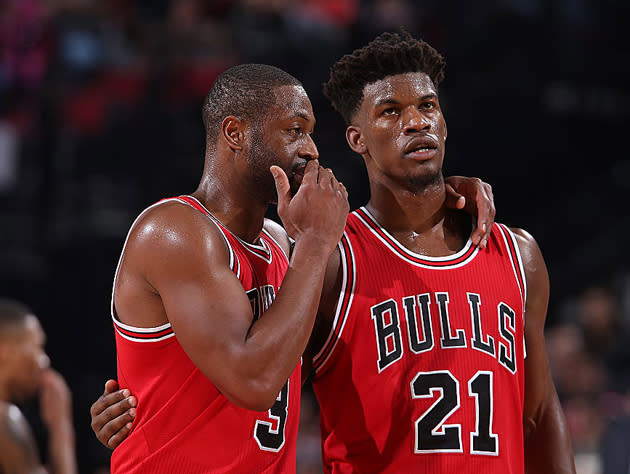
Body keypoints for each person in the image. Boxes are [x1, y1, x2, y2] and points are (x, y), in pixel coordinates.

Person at [89, 60, 499, 469]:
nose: (311, 149)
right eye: (294, 130)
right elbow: (255, 382)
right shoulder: (175, 230)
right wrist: (317, 243)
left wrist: (439, 196)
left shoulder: (280, 241)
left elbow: (289, 367)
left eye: (311, 133)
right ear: (235, 134)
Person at [0, 298, 78, 474]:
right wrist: (60, 426)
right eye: (38, 348)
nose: (44, 361)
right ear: (5, 351)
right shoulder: (5, 420)